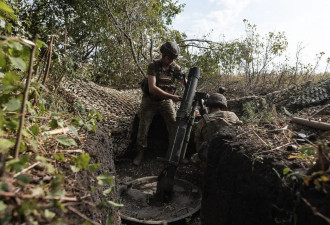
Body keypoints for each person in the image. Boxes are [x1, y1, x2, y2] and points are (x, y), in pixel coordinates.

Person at [133, 41, 185, 166]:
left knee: (173, 124)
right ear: (163, 55)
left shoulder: (175, 68)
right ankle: (140, 152)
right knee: (143, 125)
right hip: (150, 100)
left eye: (173, 58)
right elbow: (152, 88)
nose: (171, 60)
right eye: (169, 57)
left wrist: (188, 86)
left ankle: (173, 153)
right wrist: (172, 97)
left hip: (165, 101)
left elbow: (184, 81)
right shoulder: (153, 66)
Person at [193, 93, 242, 165]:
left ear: (209, 107)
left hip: (212, 156)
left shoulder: (202, 121)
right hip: (231, 152)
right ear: (223, 106)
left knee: (194, 157)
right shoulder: (232, 115)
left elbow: (197, 141)